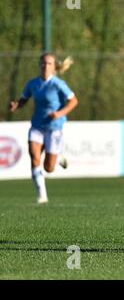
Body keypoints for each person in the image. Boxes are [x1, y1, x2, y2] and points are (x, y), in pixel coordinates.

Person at [9, 53, 78, 204]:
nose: (45, 66)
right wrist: (16, 105)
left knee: (49, 168)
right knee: (34, 158)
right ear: (39, 65)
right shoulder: (32, 84)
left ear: (54, 66)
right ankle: (42, 195)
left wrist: (59, 113)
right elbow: (24, 99)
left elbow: (73, 101)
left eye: (49, 64)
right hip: (37, 126)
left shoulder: (58, 84)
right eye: (43, 63)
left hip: (54, 128)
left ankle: (59, 154)